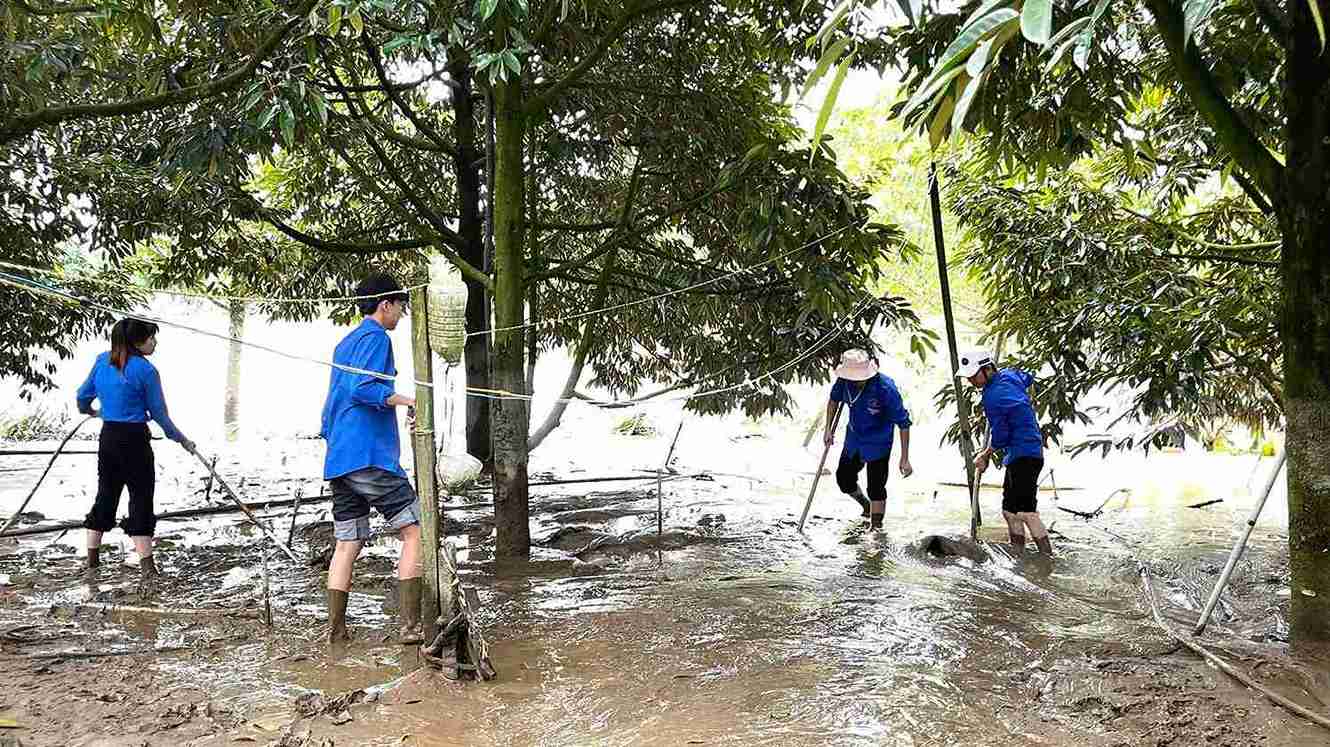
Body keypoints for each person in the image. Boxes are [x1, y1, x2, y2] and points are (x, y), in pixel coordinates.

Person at [320, 273, 423, 644]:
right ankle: (411, 627)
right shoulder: (376, 337)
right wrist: (409, 401)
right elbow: (361, 388)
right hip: (369, 457)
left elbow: (333, 401)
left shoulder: (345, 342)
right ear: (386, 305)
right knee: (416, 530)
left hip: (340, 458)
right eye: (400, 306)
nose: (401, 314)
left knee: (348, 543)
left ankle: (336, 631)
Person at [75, 318, 194, 592]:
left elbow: (82, 396)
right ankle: (148, 569)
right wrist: (182, 439)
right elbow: (160, 415)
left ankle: (92, 560)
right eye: (151, 338)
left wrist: (91, 411)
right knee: (140, 496)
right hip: (135, 440)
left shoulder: (102, 360)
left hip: (109, 438)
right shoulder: (147, 370)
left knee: (106, 494)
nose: (154, 342)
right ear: (137, 342)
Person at [956, 350, 1053, 555]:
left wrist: (985, 454)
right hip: (1020, 453)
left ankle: (1047, 558)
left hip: (1025, 454)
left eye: (974, 375)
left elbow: (1001, 436)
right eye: (969, 376)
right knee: (1010, 511)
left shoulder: (993, 396)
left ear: (987, 369)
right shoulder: (1009, 374)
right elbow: (1028, 377)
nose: (971, 380)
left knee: (1027, 513)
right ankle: (1018, 552)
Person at [823, 349, 913, 529]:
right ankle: (865, 505)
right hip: (854, 439)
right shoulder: (844, 382)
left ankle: (876, 528)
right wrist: (827, 429)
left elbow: (903, 423)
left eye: (860, 377)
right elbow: (834, 401)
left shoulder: (885, 388)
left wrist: (904, 458)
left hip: (879, 442)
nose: (856, 381)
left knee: (876, 487)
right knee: (844, 479)